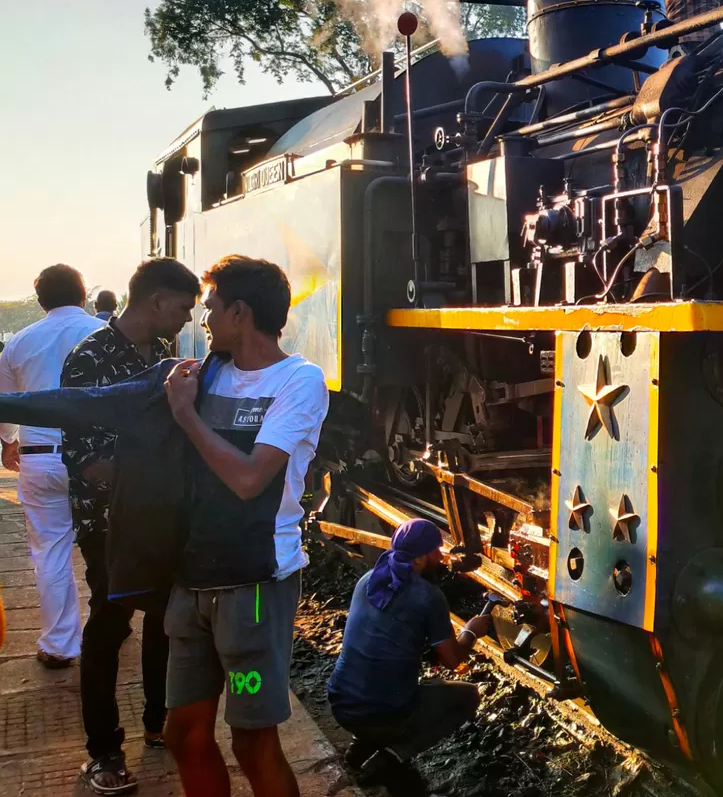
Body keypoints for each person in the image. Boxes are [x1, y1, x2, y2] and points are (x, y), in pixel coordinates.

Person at [160, 256, 328, 797]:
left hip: (254, 586)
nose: (203, 321)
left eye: (210, 309)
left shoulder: (299, 381)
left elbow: (251, 478)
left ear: (239, 312)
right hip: (192, 580)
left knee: (252, 742)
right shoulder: (207, 372)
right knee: (182, 733)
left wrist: (187, 415)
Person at [62, 258, 201, 795]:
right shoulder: (89, 358)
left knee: (166, 615)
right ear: (156, 301)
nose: (187, 318)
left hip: (161, 516)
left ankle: (157, 719)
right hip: (111, 521)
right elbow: (83, 452)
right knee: (111, 622)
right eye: (184, 307)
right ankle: (103, 750)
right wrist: (137, 477)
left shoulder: (163, 357)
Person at [327, 519, 493, 795]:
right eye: (436, 552)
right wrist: (471, 632)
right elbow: (453, 661)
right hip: (380, 713)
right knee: (467, 695)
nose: (441, 557)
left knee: (375, 675)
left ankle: (360, 747)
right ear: (419, 558)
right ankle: (393, 755)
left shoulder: (369, 579)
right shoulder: (428, 596)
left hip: (341, 703)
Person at [0, 264, 104, 668]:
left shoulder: (19, 343)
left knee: (51, 551)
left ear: (40, 301)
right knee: (108, 545)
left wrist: (9, 442)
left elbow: (6, 405)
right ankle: (113, 623)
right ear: (84, 296)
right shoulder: (103, 335)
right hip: (99, 461)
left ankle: (61, 644)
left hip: (40, 459)